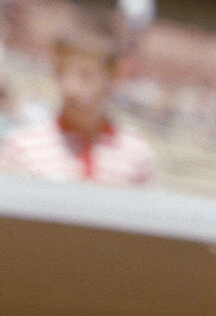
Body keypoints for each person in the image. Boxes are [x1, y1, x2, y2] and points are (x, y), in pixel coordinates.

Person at [0, 13, 156, 186]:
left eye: (85, 75)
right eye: (62, 72)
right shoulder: (23, 147)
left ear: (113, 75)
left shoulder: (136, 154)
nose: (70, 88)